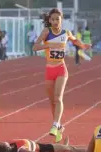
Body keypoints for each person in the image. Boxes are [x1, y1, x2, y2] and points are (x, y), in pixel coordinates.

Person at [33, 8, 90, 143]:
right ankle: (59, 127)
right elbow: (35, 47)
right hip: (49, 70)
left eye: (57, 19)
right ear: (49, 20)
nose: (55, 22)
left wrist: (83, 45)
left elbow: (74, 40)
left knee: (58, 98)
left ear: (61, 20)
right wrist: (48, 46)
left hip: (61, 69)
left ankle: (54, 125)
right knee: (52, 102)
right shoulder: (47, 32)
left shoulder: (66, 33)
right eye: (52, 19)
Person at [0, 137, 87, 152]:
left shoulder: (10, 146)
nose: (2, 142)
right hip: (45, 148)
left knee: (69, 147)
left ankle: (65, 145)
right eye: (2, 143)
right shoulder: (21, 151)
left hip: (40, 144)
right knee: (72, 149)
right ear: (7, 148)